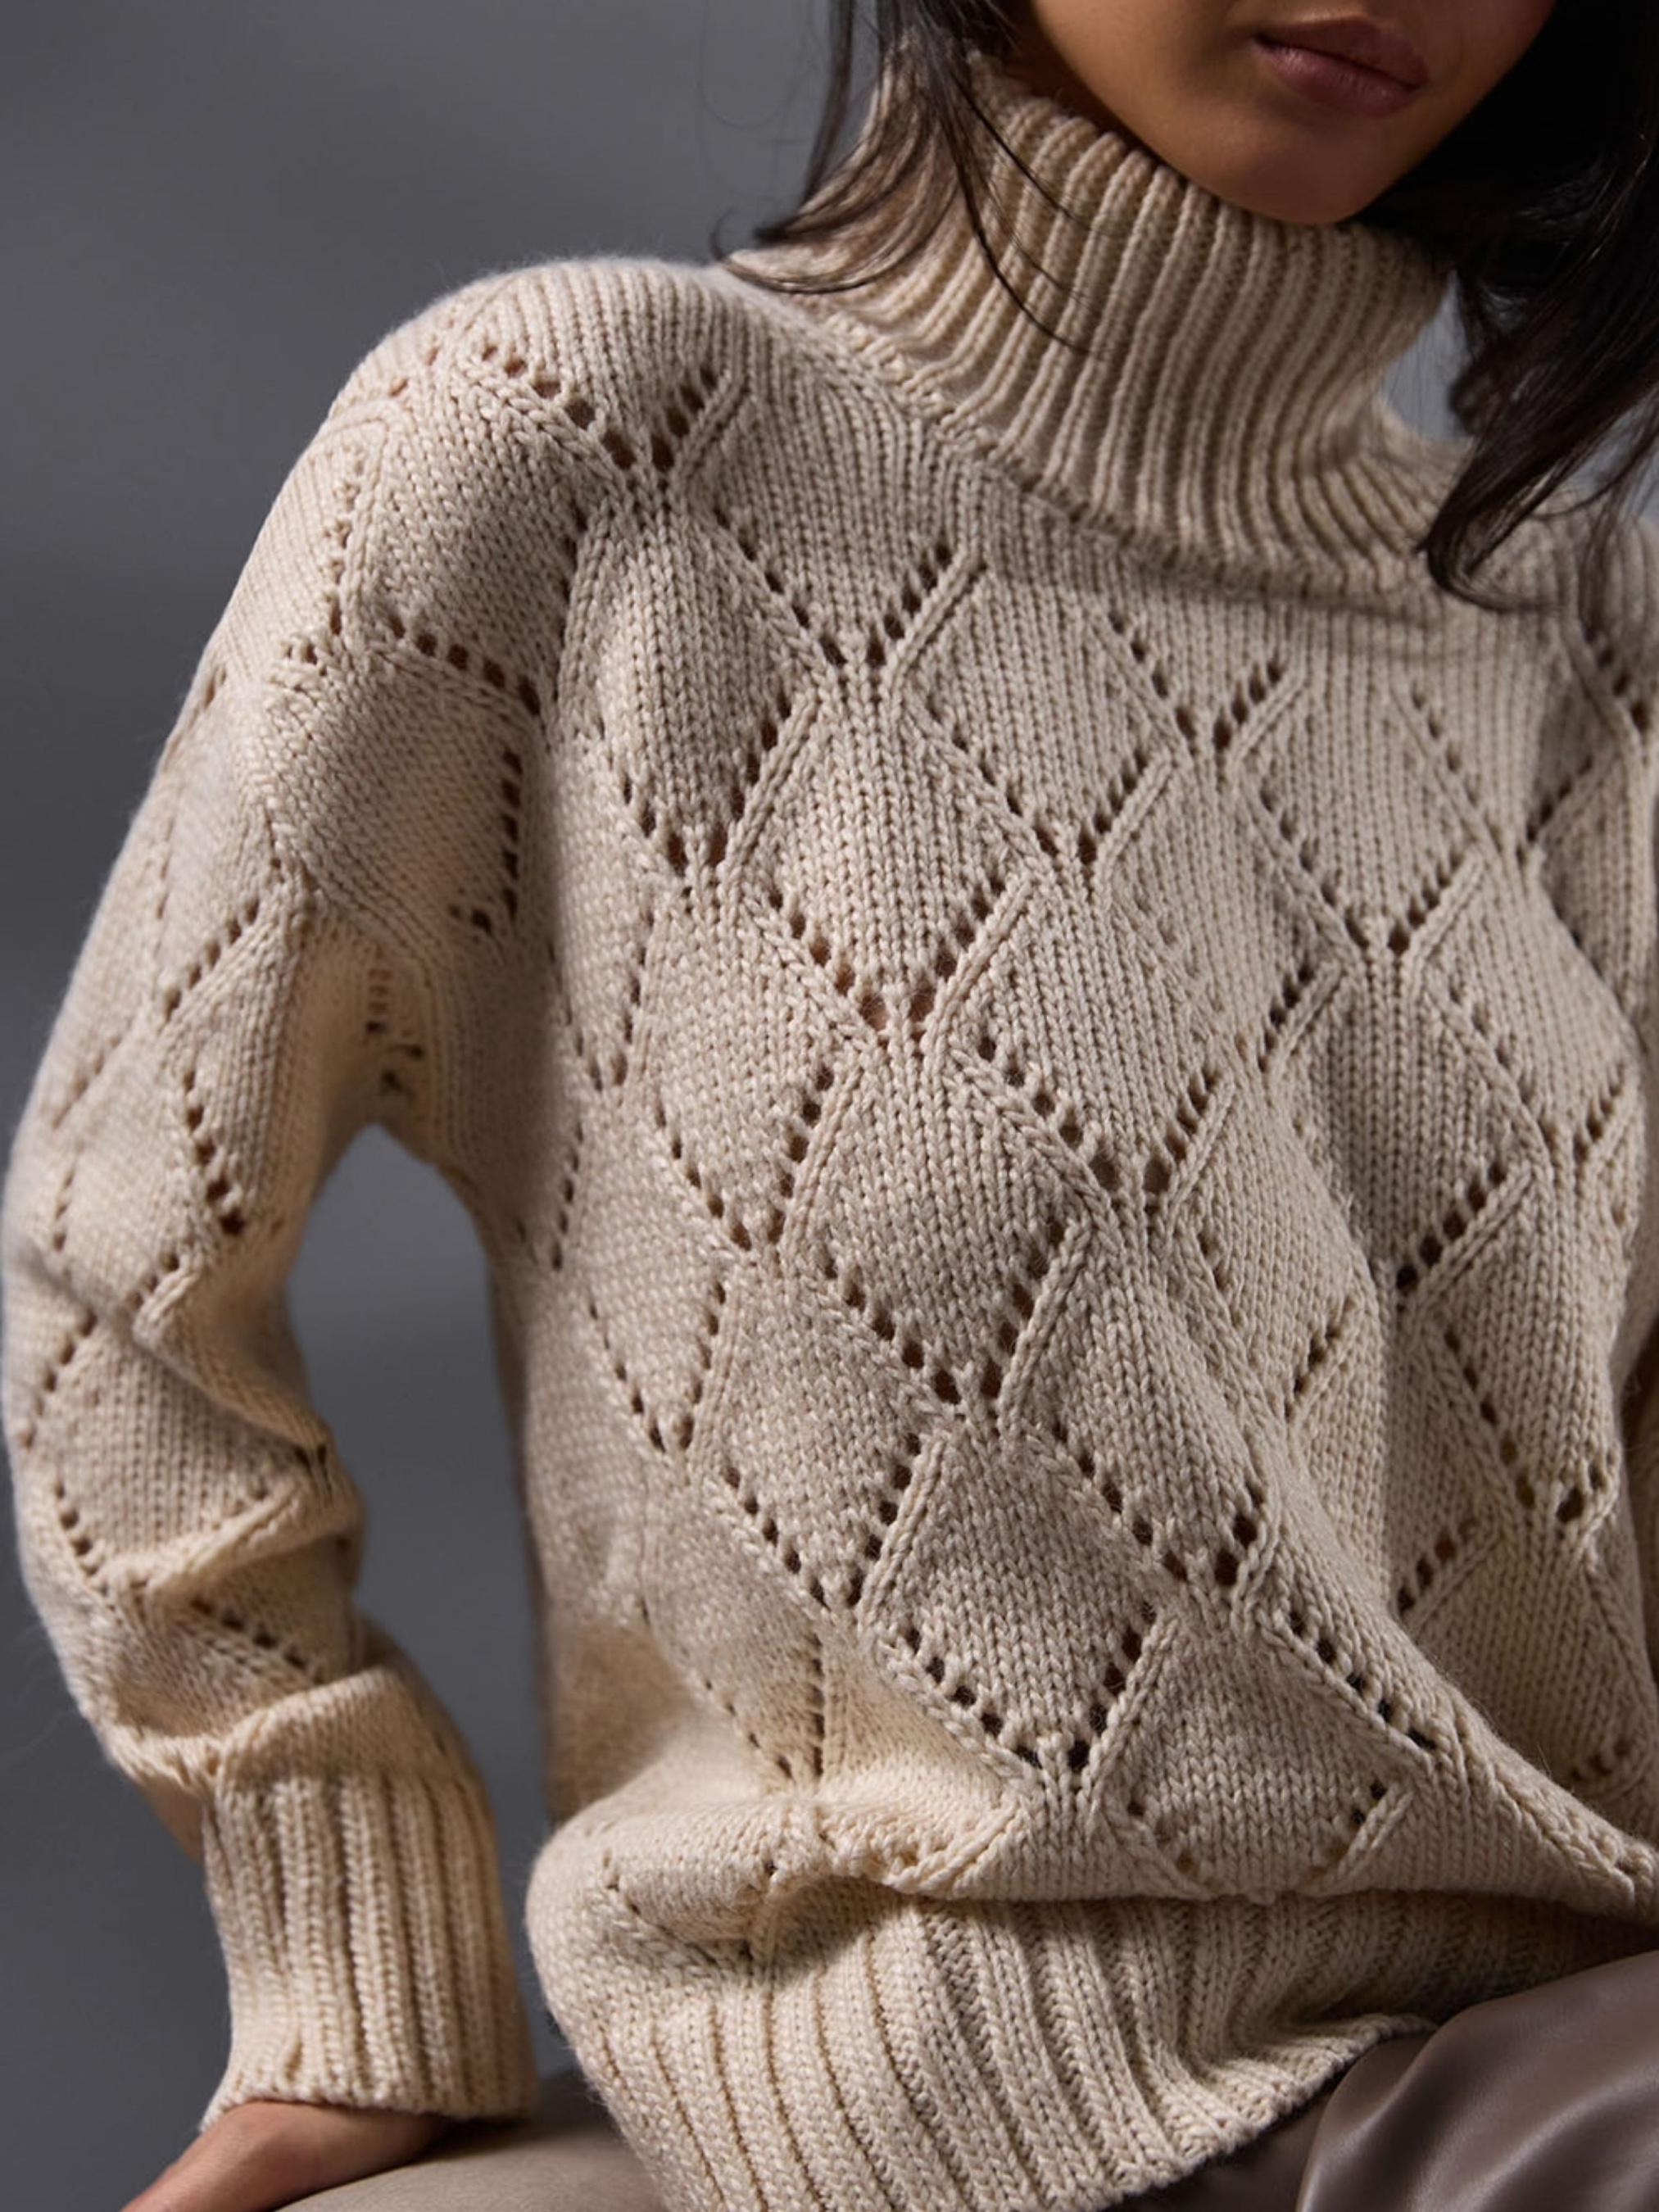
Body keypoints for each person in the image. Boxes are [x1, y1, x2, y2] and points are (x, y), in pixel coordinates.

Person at [9, 2, 1659, 2207]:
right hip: (1006, 2083)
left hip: (1575, 2017)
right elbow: (123, 1269)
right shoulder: (590, 447)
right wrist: (350, 1943)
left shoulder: (1583, 622)